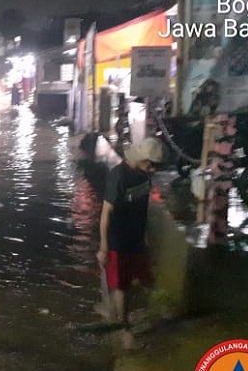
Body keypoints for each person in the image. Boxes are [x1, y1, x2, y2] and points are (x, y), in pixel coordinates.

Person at [96, 137, 165, 349]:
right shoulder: (119, 175)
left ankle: (114, 312)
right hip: (118, 241)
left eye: (156, 166)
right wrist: (104, 246)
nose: (152, 169)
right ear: (139, 158)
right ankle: (124, 331)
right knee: (122, 285)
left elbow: (143, 209)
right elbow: (106, 213)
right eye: (149, 164)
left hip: (136, 240)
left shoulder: (144, 176)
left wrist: (146, 238)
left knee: (140, 281)